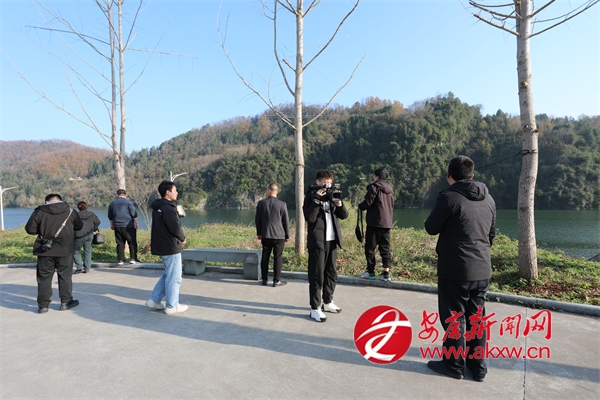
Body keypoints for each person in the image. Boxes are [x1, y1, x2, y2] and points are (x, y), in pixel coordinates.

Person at [424, 155, 496, 382]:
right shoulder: (489, 199)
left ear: (449, 175)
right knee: (477, 318)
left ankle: (453, 365)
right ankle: (478, 367)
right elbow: (491, 234)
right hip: (482, 268)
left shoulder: (449, 197)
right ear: (472, 175)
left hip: (455, 268)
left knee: (454, 317)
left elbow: (431, 227)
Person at [25, 193, 83, 314]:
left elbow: (30, 229)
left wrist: (43, 230)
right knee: (65, 277)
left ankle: (43, 306)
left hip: (45, 250)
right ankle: (66, 302)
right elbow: (79, 226)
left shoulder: (39, 211)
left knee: (44, 278)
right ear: (61, 200)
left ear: (47, 202)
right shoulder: (70, 211)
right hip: (65, 250)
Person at [303, 170, 349, 322]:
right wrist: (317, 200)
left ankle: (327, 302)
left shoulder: (331, 195)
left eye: (330, 183)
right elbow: (309, 218)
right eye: (325, 182)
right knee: (317, 276)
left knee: (331, 273)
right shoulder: (310, 196)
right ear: (318, 182)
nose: (328, 185)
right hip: (317, 241)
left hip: (332, 240)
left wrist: (338, 203)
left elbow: (344, 215)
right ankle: (314, 308)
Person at [145, 181, 188, 315]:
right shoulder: (168, 209)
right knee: (174, 277)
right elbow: (175, 228)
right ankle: (172, 305)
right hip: (170, 246)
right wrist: (182, 238)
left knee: (168, 274)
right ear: (168, 192)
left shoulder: (158, 207)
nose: (177, 193)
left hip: (162, 245)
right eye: (175, 190)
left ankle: (154, 300)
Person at [358, 168, 395, 282]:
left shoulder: (374, 187)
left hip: (374, 223)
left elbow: (368, 202)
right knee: (385, 248)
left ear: (377, 177)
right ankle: (386, 273)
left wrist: (360, 206)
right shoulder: (390, 189)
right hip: (387, 223)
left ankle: (371, 272)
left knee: (370, 248)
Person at [255, 183, 290, 287]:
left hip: (266, 234)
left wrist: (259, 233)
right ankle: (276, 280)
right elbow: (286, 221)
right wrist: (287, 235)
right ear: (276, 192)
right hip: (279, 235)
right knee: (278, 258)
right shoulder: (282, 204)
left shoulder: (261, 203)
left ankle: (264, 279)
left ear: (269, 191)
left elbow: (258, 220)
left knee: (265, 257)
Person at [108, 189, 139, 266]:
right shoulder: (129, 203)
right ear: (125, 195)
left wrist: (112, 225)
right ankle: (133, 258)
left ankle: (120, 260)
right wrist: (136, 223)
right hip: (129, 226)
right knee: (132, 242)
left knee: (120, 243)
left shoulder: (112, 204)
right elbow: (134, 214)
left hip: (117, 226)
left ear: (117, 195)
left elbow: (110, 216)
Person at [73, 201, 101, 274]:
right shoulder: (91, 214)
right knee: (88, 251)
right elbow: (98, 222)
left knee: (75, 251)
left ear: (78, 208)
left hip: (78, 235)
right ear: (86, 206)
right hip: (89, 235)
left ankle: (79, 267)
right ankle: (87, 268)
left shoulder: (75, 215)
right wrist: (93, 228)